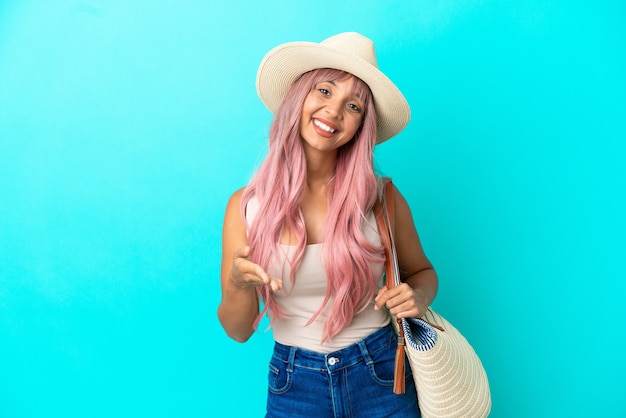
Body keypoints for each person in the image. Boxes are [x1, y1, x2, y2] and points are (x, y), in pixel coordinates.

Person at [218, 32, 438, 418]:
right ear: (298, 96)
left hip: (382, 374)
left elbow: (422, 272)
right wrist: (238, 284)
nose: (334, 112)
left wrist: (416, 297)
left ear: (361, 126)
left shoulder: (382, 198)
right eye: (324, 91)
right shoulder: (245, 207)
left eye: (352, 105)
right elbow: (238, 331)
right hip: (294, 382)